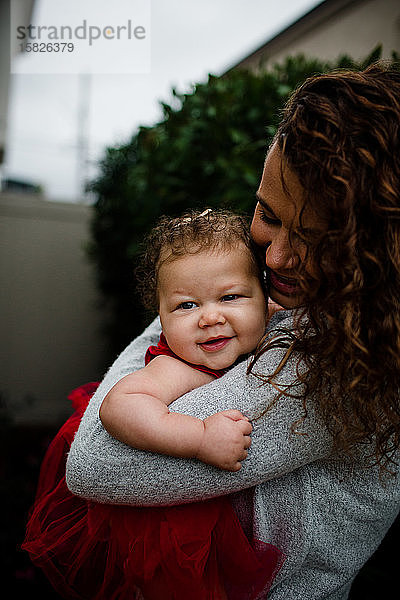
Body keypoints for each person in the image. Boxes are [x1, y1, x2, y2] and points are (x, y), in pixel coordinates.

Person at [65, 62, 400, 599]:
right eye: (267, 213)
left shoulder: (336, 366)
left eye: (315, 237)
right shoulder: (310, 306)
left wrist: (171, 330)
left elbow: (93, 463)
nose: (276, 255)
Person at [22, 209, 285, 600]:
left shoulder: (267, 324)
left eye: (231, 297)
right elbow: (120, 406)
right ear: (160, 319)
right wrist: (199, 437)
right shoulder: (177, 366)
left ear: (265, 302)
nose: (210, 317)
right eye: (186, 306)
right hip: (161, 525)